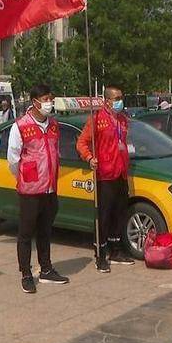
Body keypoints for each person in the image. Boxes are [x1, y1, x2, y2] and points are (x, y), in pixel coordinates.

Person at [7, 84, 69, 293]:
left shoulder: (53, 125)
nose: (49, 103)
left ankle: (46, 269)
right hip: (30, 190)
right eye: (45, 99)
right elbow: (13, 159)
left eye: (50, 99)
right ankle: (25, 273)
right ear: (35, 102)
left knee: (45, 230)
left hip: (50, 189)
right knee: (26, 233)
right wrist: (26, 178)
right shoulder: (21, 126)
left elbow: (55, 151)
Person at [77, 86, 135, 273]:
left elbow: (125, 143)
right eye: (116, 98)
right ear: (107, 101)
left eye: (121, 97)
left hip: (121, 173)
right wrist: (89, 157)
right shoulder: (96, 119)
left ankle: (116, 250)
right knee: (104, 216)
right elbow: (82, 142)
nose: (120, 101)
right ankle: (100, 254)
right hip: (105, 174)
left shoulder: (123, 120)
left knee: (119, 213)